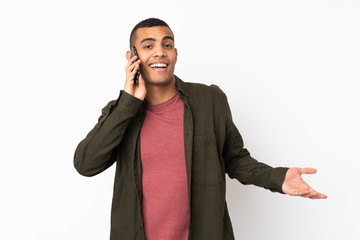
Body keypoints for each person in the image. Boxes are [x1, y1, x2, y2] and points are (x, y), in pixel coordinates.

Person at [74, 18, 327, 240]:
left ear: (175, 54)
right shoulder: (120, 112)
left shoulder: (210, 101)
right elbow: (85, 164)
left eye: (167, 44)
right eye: (148, 46)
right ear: (132, 57)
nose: (159, 52)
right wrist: (129, 102)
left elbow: (236, 160)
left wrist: (278, 178)